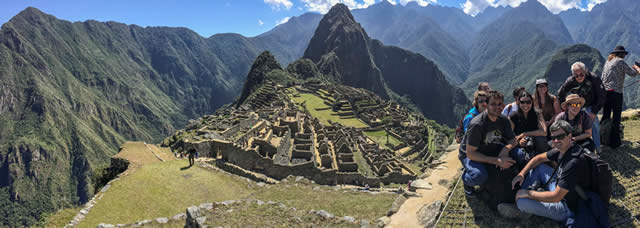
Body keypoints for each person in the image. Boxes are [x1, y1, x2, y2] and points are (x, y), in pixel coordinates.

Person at [510, 120, 590, 222]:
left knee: (522, 201)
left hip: (566, 206)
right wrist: (521, 174)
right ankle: (527, 197)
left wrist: (527, 193)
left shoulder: (573, 162)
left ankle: (521, 207)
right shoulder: (565, 148)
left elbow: (556, 197)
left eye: (560, 137)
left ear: (569, 136)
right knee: (539, 167)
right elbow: (538, 158)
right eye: (553, 138)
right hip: (560, 187)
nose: (556, 141)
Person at [459, 90, 526, 197]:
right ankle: (466, 180)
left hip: (492, 147)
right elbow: (471, 153)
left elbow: (513, 140)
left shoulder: (503, 119)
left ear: (503, 105)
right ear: (486, 105)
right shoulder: (477, 124)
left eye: (500, 104)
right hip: (471, 154)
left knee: (520, 155)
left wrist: (505, 150)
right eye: (493, 104)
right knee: (478, 176)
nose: (497, 107)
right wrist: (497, 161)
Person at [557, 62, 605, 152]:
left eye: (581, 75)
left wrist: (594, 112)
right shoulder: (570, 81)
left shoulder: (593, 78)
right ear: (573, 75)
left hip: (591, 103)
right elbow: (561, 93)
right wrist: (564, 107)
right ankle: (571, 143)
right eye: (576, 75)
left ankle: (597, 147)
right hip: (576, 103)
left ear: (585, 71)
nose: (579, 77)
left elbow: (601, 96)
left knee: (594, 123)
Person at [600, 46, 640, 148]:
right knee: (616, 118)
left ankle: (603, 139)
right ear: (621, 54)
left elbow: (602, 77)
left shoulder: (608, 62)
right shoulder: (620, 62)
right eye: (624, 54)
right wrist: (637, 68)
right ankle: (615, 142)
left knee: (606, 116)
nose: (625, 56)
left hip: (605, 92)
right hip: (616, 93)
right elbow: (632, 74)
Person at [509, 91, 548, 156]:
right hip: (520, 144)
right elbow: (509, 136)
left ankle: (543, 158)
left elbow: (544, 132)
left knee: (541, 139)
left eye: (528, 102)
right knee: (519, 155)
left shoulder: (537, 114)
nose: (525, 105)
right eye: (522, 102)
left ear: (532, 102)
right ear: (519, 103)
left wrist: (524, 134)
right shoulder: (513, 116)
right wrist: (519, 142)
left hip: (535, 142)